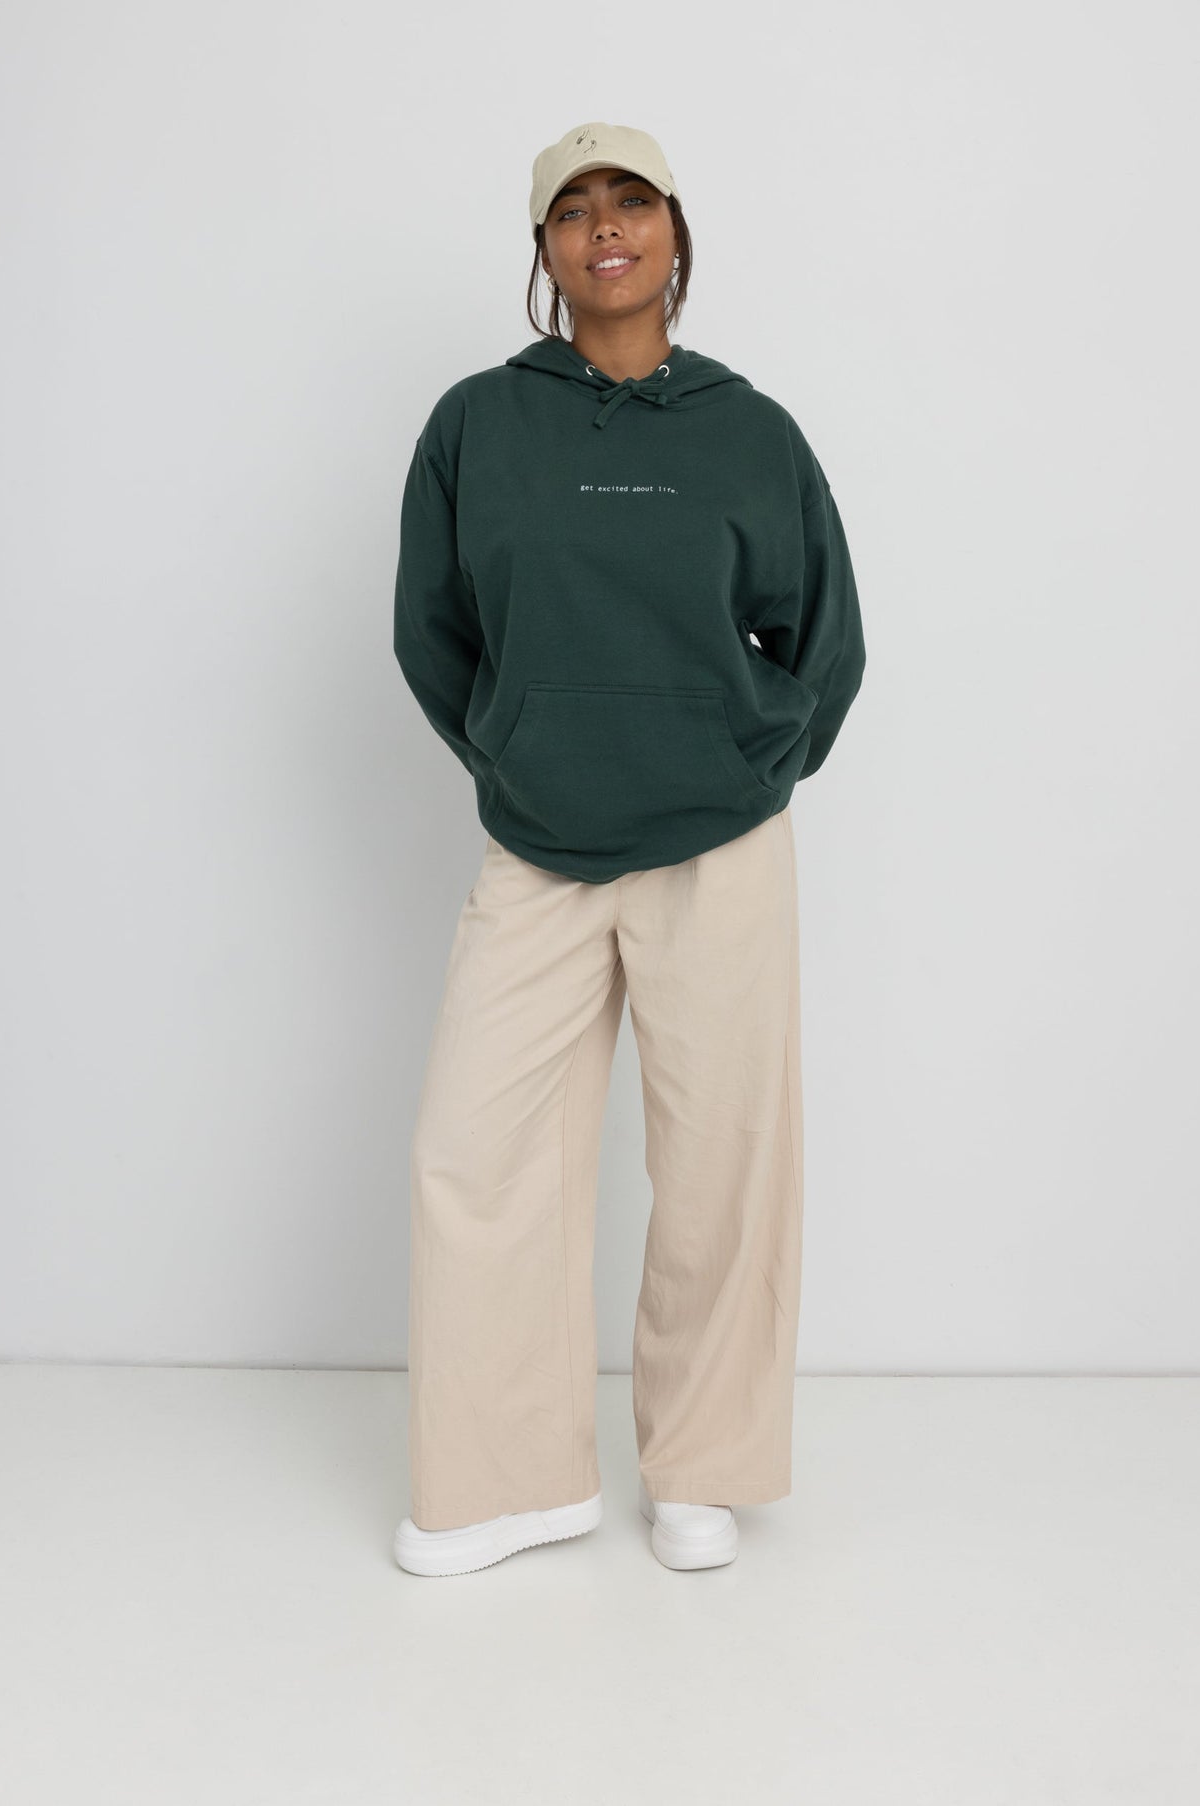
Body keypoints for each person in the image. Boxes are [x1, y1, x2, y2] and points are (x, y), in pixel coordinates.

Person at [390, 121, 866, 1576]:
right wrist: (518, 754)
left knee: (725, 1159)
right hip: (540, 844)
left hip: (718, 846)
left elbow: (825, 637)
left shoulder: (749, 428)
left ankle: (702, 1466)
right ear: (543, 252)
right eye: (572, 210)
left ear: (672, 232)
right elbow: (431, 629)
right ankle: (508, 1479)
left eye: (631, 202)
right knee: (477, 1155)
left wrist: (744, 763)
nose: (604, 227)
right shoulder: (479, 423)